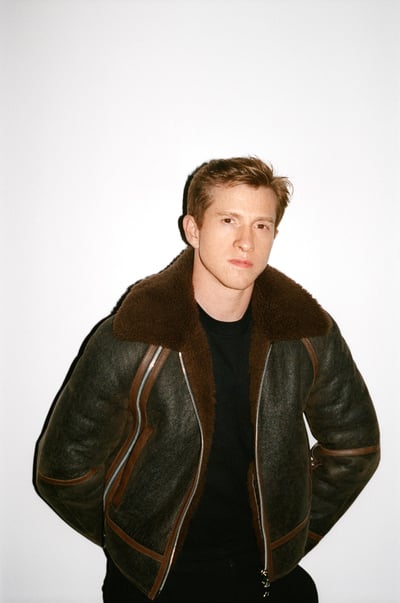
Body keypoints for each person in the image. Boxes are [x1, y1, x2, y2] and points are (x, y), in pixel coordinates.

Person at [34, 156, 380, 602]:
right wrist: (134, 545)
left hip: (266, 580)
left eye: (261, 225)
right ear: (193, 229)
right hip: (155, 587)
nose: (246, 241)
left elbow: (354, 448)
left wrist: (291, 539)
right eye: (228, 220)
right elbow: (62, 471)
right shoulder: (134, 336)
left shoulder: (307, 334)